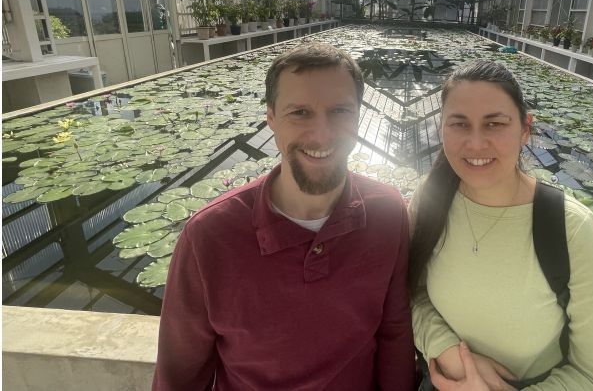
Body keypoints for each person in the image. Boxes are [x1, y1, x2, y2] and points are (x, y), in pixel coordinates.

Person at [153, 43, 415, 390]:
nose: (321, 134)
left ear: (359, 116)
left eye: (340, 111)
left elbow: (394, 332)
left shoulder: (388, 213)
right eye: (300, 113)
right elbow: (179, 374)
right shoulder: (208, 237)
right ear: (271, 118)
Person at [408, 60, 593, 390]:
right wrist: (449, 351)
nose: (476, 144)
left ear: (525, 128)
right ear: (442, 127)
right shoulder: (429, 201)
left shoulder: (571, 229)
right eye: (459, 124)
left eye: (494, 124)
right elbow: (410, 292)